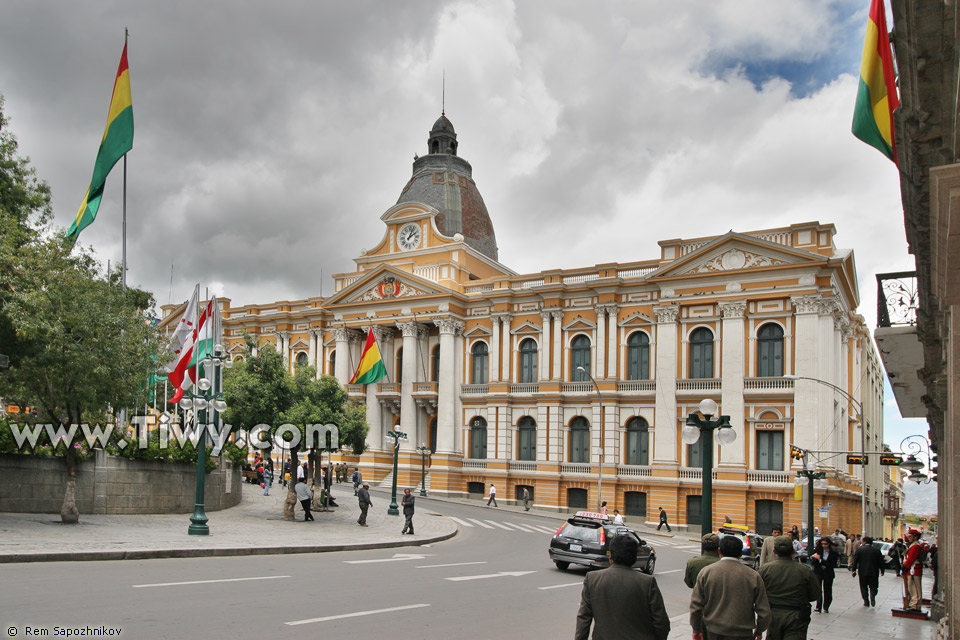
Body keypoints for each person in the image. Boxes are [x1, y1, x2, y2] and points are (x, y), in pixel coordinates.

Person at [575, 534, 671, 640]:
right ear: (634, 557)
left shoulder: (593, 579)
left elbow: (584, 618)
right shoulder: (647, 582)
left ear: (610, 556)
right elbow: (661, 622)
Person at [690, 535, 771, 640]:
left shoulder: (707, 572)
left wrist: (696, 630)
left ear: (719, 551)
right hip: (743, 633)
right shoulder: (752, 575)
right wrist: (759, 631)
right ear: (740, 553)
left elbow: (696, 606)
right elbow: (764, 611)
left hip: (715, 631)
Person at [758, 536, 819, 639]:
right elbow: (815, 594)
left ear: (774, 551)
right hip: (797, 616)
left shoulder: (765, 569)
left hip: (773, 614)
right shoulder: (804, 571)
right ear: (793, 551)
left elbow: (757, 594)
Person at [849, 535, 885, 607]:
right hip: (874, 572)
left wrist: (853, 570)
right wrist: (882, 570)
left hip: (862, 572)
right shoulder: (877, 551)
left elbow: (855, 561)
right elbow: (881, 562)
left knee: (863, 586)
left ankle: (866, 601)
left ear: (864, 542)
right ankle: (873, 595)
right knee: (874, 586)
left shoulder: (860, 549)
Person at [810, 537, 838, 613]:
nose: (823, 545)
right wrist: (813, 558)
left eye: (825, 544)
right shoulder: (818, 551)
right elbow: (813, 563)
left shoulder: (833, 553)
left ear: (829, 544)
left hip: (828, 573)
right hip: (819, 572)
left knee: (827, 590)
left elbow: (832, 564)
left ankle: (826, 606)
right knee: (818, 589)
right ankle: (818, 606)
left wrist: (821, 560)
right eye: (822, 544)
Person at [901, 529, 924, 611]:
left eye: (910, 536)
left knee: (915, 588)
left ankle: (916, 605)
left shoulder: (915, 546)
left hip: (914, 570)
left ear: (915, 537)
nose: (909, 538)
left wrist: (905, 566)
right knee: (911, 587)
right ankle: (913, 603)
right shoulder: (913, 546)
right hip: (911, 570)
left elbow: (911, 559)